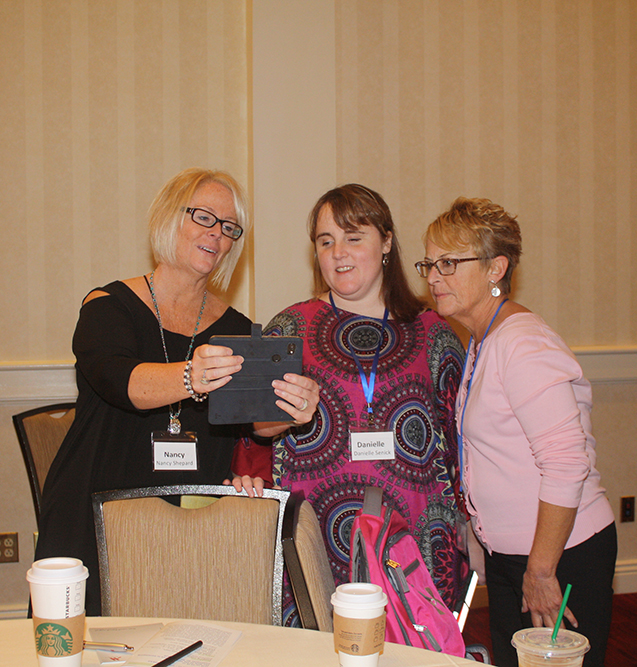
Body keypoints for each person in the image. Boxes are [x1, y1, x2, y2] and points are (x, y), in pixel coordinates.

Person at [35, 168, 319, 616]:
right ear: (170, 218)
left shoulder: (237, 330)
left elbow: (259, 423)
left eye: (229, 228)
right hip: (94, 514)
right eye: (204, 217)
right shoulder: (107, 307)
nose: (217, 235)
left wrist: (293, 409)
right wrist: (191, 376)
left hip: (191, 524)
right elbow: (122, 383)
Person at [236, 184, 468, 625]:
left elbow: (460, 445)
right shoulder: (290, 328)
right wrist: (285, 416)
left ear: (385, 242)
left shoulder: (434, 332)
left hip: (417, 536)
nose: (338, 252)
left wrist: (469, 528)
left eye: (353, 237)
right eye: (326, 242)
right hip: (318, 533)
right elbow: (257, 427)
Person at [419, 197, 616, 667]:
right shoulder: (484, 338)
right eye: (428, 263)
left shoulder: (523, 344)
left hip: (560, 557)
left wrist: (542, 569)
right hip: (520, 558)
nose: (431, 277)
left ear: (496, 268)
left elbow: (567, 463)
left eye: (448, 263)